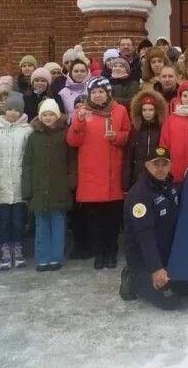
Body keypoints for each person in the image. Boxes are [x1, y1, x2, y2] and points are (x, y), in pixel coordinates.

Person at [119, 147, 188, 309]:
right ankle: (133, 278)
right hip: (144, 258)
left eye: (165, 164)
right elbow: (145, 236)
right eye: (156, 164)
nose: (160, 169)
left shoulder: (168, 186)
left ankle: (176, 280)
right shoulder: (140, 195)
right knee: (169, 302)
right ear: (147, 165)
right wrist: (156, 269)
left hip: (165, 254)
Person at [66, 76, 131, 269]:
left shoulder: (120, 111)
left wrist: (117, 137)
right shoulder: (82, 111)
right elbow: (72, 141)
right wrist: (78, 120)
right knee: (94, 220)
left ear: (108, 93)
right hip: (90, 174)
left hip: (112, 174)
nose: (97, 95)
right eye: (94, 92)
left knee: (111, 219)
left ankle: (111, 252)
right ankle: (99, 254)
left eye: (101, 91)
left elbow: (128, 134)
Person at [22, 98, 76, 272]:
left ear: (57, 116)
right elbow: (27, 164)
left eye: (51, 114)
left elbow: (71, 161)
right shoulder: (33, 137)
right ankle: (42, 257)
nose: (48, 117)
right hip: (38, 188)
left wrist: (71, 183)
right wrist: (27, 189)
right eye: (44, 114)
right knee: (41, 225)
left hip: (59, 187)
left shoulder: (64, 134)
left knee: (58, 224)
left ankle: (56, 257)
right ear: (40, 116)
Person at [0, 92, 32, 271]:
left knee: (18, 220)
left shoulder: (27, 130)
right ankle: (6, 250)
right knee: (4, 220)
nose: (13, 113)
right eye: (10, 109)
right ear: (4, 110)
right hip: (2, 182)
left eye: (17, 110)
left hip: (19, 181)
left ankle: (18, 248)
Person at [122, 91, 168, 192]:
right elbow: (128, 157)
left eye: (151, 109)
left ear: (156, 111)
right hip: (138, 178)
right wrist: (126, 184)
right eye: (144, 110)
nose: (147, 113)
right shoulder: (135, 130)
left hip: (157, 177)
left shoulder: (162, 130)